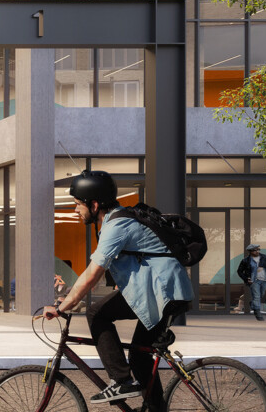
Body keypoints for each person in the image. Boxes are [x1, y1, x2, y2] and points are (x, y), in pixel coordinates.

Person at [42, 170, 195, 406]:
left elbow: (93, 274)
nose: (75, 210)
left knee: (96, 314)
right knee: (139, 358)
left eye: (77, 204)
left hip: (164, 293)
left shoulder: (117, 226)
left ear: (94, 204)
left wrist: (63, 306)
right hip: (161, 292)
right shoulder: (115, 221)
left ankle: (122, 381)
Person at [236, 243, 266, 321]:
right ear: (250, 251)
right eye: (255, 250)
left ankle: (253, 304)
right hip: (254, 281)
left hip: (264, 280)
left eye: (258, 249)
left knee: (261, 295)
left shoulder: (265, 258)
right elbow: (239, 271)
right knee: (257, 296)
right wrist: (246, 279)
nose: (257, 251)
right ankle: (257, 313)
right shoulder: (246, 260)